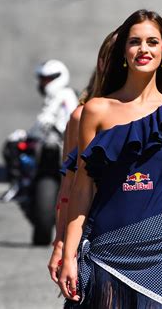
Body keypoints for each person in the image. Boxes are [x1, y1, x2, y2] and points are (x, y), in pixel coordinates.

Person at [59, 9, 162, 308]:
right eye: (135, 42)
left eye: (152, 42)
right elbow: (82, 189)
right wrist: (68, 255)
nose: (144, 49)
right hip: (106, 249)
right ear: (124, 52)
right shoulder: (96, 111)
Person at [48, 31, 117, 284]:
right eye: (115, 58)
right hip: (94, 236)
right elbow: (70, 187)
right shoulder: (81, 117)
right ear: (102, 64)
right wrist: (61, 243)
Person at [0, 59, 78, 202]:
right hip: (52, 138)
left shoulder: (65, 95)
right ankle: (23, 183)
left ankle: (19, 186)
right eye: (42, 79)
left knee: (13, 142)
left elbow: (52, 119)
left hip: (60, 140)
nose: (43, 83)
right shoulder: (58, 95)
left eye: (47, 79)